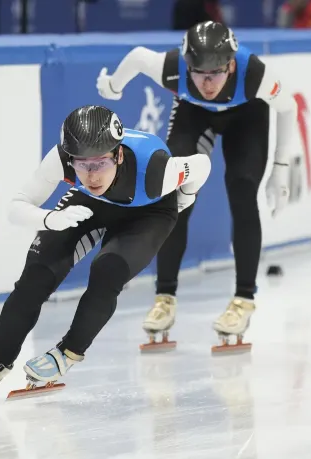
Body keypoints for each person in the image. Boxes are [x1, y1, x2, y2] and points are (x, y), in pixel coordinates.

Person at [0, 105, 211, 394]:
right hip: (90, 204)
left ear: (119, 155)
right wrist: (50, 219)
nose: (92, 175)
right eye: (82, 165)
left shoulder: (158, 169)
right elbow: (16, 207)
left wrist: (183, 198)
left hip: (149, 211)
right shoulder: (61, 158)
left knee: (107, 271)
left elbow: (202, 165)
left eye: (100, 163)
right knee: (36, 274)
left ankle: (67, 352)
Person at [96, 21, 298, 351]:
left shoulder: (255, 73)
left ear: (231, 65)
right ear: (186, 65)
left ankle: (244, 299)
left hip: (246, 118)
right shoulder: (174, 67)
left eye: (216, 73)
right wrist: (113, 85)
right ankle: (164, 297)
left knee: (242, 188)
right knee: (175, 195)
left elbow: (288, 107)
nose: (207, 83)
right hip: (194, 115)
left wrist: (280, 167)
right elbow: (136, 58)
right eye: (198, 73)